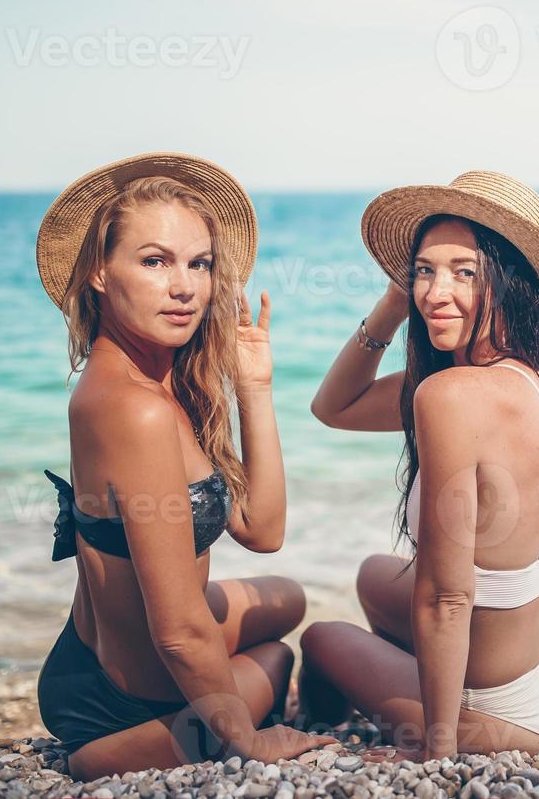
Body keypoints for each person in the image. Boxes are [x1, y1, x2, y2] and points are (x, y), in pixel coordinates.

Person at [33, 152, 334, 779]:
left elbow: (263, 531)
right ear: (98, 271)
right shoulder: (132, 411)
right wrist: (248, 743)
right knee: (275, 658)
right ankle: (151, 737)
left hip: (98, 653)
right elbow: (176, 630)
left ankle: (212, 709)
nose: (185, 287)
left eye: (199, 264)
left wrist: (254, 389)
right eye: (154, 261)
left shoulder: (161, 383)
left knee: (288, 599)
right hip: (125, 701)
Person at [301, 171, 539, 760]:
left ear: (511, 283)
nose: (435, 293)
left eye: (465, 272)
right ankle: (421, 682)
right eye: (423, 271)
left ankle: (325, 732)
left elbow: (447, 598)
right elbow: (333, 409)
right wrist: (390, 305)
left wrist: (433, 752)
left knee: (321, 639)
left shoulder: (452, 397)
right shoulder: (524, 375)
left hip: (509, 716)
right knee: (371, 575)